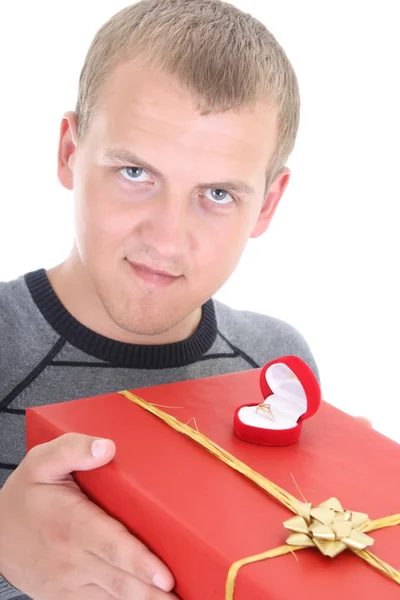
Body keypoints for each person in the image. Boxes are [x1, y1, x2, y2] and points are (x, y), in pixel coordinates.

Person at [0, 1, 320, 598]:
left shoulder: (276, 373)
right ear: (70, 152)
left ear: (269, 204)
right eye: (135, 173)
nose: (167, 238)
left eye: (218, 193)